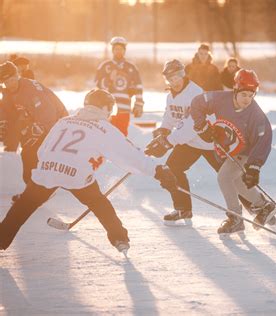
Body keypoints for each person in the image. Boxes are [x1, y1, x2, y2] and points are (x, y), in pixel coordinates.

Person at [0, 89, 178, 253]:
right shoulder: (105, 128)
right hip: (75, 174)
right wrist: (158, 171)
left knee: (22, 207)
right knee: (100, 204)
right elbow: (131, 156)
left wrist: (48, 168)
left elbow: (42, 150)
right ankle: (119, 238)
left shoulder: (64, 121)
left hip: (46, 171)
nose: (110, 113)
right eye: (110, 109)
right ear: (104, 108)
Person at [190, 69, 276, 234]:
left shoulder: (255, 115)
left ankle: (235, 218)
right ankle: (264, 206)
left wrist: (254, 167)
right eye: (244, 94)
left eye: (251, 96)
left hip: (246, 153)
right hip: (230, 150)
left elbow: (264, 139)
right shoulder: (220, 99)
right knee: (236, 182)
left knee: (224, 178)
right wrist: (202, 126)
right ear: (235, 90)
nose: (247, 100)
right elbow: (197, 103)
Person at [144, 59, 221, 225]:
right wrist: (163, 131)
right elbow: (170, 117)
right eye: (170, 78)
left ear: (183, 74)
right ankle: (183, 209)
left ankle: (259, 205)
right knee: (173, 169)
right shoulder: (170, 96)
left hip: (209, 142)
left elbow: (192, 125)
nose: (174, 81)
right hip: (191, 143)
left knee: (227, 175)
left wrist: (168, 142)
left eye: (177, 76)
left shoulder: (195, 93)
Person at [0, 61, 68, 192]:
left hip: (55, 122)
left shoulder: (31, 90)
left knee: (31, 155)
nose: (10, 84)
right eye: (5, 82)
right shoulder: (8, 91)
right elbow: (5, 109)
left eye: (12, 79)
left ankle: (39, 191)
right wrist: (3, 124)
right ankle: (33, 191)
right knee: (28, 156)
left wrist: (36, 131)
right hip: (34, 122)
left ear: (17, 75)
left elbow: (48, 114)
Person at [95, 36, 144, 136]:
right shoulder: (104, 66)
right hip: (106, 109)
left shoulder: (131, 68)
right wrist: (109, 80)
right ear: (112, 50)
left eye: (121, 49)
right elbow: (97, 87)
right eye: (116, 49)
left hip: (124, 108)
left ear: (124, 51)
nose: (119, 51)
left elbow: (139, 87)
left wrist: (139, 104)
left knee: (121, 136)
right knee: (105, 135)